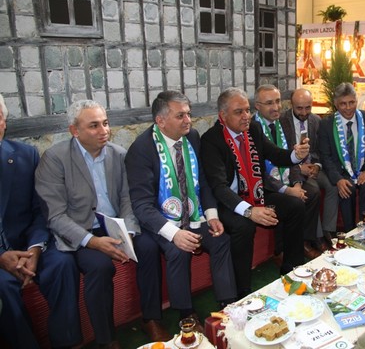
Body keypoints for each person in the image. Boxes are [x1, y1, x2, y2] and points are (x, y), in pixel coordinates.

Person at [35, 100, 163, 348]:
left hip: (116, 226)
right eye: (94, 126)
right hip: (80, 232)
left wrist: (128, 231)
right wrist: (92, 241)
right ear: (75, 130)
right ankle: (107, 340)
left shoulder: (118, 154)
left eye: (105, 123)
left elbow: (127, 198)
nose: (104, 130)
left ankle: (152, 319)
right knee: (100, 266)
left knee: (148, 247)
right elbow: (55, 216)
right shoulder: (55, 159)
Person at [125, 91, 237, 327]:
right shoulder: (142, 149)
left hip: (193, 213)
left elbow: (203, 180)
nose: (188, 120)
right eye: (180, 116)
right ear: (160, 120)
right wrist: (175, 233)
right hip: (160, 220)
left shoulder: (191, 137)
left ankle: (227, 304)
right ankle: (186, 313)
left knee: (220, 238)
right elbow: (142, 206)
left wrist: (211, 215)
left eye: (188, 114)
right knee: (178, 249)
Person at [200, 87, 308, 299]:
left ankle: (291, 270)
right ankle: (243, 291)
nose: (246, 116)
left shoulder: (254, 129)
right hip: (228, 202)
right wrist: (250, 211)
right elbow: (219, 187)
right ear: (223, 115)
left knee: (295, 206)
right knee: (244, 225)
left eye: (247, 110)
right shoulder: (211, 140)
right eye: (238, 112)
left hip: (256, 193)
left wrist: (296, 155)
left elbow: (275, 154)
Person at [0, 94, 82, 349]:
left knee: (62, 264)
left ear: (4, 121)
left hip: (28, 244)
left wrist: (35, 248)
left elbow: (40, 210)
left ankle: (67, 342)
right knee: (3, 286)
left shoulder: (25, 155)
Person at [254, 85, 321, 259]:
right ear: (257, 106)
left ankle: (305, 242)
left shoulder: (281, 123)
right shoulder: (253, 128)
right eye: (269, 103)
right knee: (291, 201)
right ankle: (281, 251)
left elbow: (290, 157)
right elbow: (260, 172)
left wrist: (297, 184)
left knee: (311, 192)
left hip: (287, 175)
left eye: (278, 101)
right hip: (264, 185)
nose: (276, 107)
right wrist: (288, 190)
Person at [280, 88, 338, 249]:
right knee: (313, 191)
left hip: (313, 167)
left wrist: (317, 166)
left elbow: (320, 149)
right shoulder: (281, 121)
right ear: (291, 105)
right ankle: (315, 237)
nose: (304, 112)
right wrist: (299, 167)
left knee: (332, 186)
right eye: (299, 108)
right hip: (293, 169)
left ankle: (328, 231)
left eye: (308, 107)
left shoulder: (316, 120)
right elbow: (280, 153)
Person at [318, 83, 365, 232]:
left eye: (352, 102)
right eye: (343, 104)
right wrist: (337, 179)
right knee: (346, 189)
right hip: (341, 172)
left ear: (356, 101)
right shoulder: (326, 124)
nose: (348, 108)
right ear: (336, 104)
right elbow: (325, 157)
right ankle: (350, 232)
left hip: (363, 170)